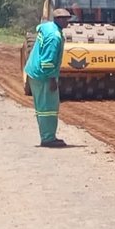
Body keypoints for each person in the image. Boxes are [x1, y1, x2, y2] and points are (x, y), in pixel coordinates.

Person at [24, 8, 71, 148]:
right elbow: (47, 61)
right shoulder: (54, 37)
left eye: (68, 18)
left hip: (34, 71)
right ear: (57, 19)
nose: (67, 21)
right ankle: (48, 139)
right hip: (43, 75)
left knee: (42, 107)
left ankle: (47, 135)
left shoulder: (47, 27)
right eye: (64, 19)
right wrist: (52, 80)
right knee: (48, 108)